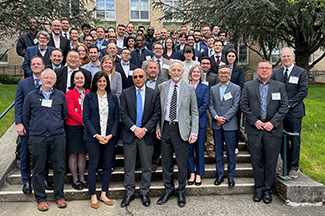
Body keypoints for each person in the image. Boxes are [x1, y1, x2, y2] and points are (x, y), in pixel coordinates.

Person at [240, 60, 289, 204]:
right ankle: (258, 189)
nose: (264, 70)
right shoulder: (248, 86)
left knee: (271, 161)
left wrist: (272, 123)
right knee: (256, 160)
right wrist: (255, 121)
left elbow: (284, 107)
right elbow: (244, 105)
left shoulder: (279, 86)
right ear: (257, 70)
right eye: (261, 68)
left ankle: (268, 190)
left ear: (271, 71)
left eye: (267, 68)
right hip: (255, 129)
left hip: (272, 130)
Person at [22, 69, 68, 211]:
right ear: (41, 79)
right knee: (38, 168)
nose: (49, 80)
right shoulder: (31, 96)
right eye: (46, 78)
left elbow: (64, 115)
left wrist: (55, 126)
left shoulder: (60, 95)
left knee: (60, 167)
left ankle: (59, 196)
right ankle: (40, 199)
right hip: (37, 137)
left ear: (55, 81)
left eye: (51, 78)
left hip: (57, 136)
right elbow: (25, 116)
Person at [156, 61, 199, 208]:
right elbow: (159, 111)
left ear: (182, 72)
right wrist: (158, 127)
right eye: (173, 70)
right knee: (166, 163)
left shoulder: (189, 88)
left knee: (182, 163)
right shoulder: (162, 87)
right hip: (166, 128)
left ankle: (181, 190)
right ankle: (169, 190)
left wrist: (194, 131)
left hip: (182, 130)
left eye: (178, 70)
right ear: (169, 72)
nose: (175, 72)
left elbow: (194, 112)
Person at [119, 68, 161, 207]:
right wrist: (134, 129)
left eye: (140, 76)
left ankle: (144, 192)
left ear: (146, 77)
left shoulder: (154, 94)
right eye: (135, 76)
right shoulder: (125, 93)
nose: (138, 78)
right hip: (130, 134)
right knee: (129, 166)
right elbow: (123, 113)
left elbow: (156, 113)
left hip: (146, 135)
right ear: (132, 78)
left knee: (147, 166)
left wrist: (145, 129)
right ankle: (129, 193)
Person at [15, 56, 53, 195]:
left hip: (43, 127)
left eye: (39, 63)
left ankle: (43, 178)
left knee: (43, 153)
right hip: (27, 125)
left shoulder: (48, 82)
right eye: (33, 64)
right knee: (25, 153)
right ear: (30, 67)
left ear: (43, 66)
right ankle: (26, 180)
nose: (36, 65)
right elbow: (18, 104)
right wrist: (19, 123)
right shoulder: (23, 84)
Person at [83, 72, 119, 208]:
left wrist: (110, 135)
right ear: (95, 83)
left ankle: (104, 193)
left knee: (107, 165)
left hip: (109, 137)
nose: (102, 83)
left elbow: (116, 118)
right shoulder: (89, 96)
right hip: (93, 138)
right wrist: (97, 135)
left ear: (107, 83)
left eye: (104, 81)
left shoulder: (113, 97)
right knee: (92, 166)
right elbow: (85, 118)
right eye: (99, 81)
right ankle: (93, 195)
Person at [271, 47, 308, 178]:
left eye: (288, 56)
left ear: (293, 57)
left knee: (294, 139)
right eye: (283, 56)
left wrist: (289, 104)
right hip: (280, 113)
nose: (286, 58)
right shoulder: (277, 73)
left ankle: (294, 167)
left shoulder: (301, 72)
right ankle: (285, 165)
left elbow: (303, 92)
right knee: (282, 140)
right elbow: (274, 90)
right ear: (281, 58)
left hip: (295, 112)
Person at [209, 65, 241, 187]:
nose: (223, 75)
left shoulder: (236, 88)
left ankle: (231, 176)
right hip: (216, 124)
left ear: (230, 75)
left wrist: (224, 118)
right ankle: (220, 175)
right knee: (218, 151)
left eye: (226, 73)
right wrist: (216, 117)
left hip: (230, 125)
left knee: (230, 152)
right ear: (218, 74)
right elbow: (210, 105)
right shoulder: (213, 89)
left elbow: (235, 105)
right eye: (221, 72)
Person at [65, 70, 90, 190]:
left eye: (82, 78)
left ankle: (82, 178)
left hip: (86, 128)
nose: (80, 80)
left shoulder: (89, 93)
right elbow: (71, 111)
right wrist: (84, 121)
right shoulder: (69, 93)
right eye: (77, 78)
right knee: (73, 153)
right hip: (73, 127)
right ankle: (75, 179)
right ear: (73, 80)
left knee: (82, 153)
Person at [187, 65, 210, 186]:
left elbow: (205, 104)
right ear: (190, 73)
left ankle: (199, 174)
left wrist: (194, 116)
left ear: (201, 74)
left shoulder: (204, 87)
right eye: (194, 72)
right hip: (186, 123)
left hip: (200, 122)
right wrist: (187, 116)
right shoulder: (185, 86)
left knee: (199, 149)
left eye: (198, 72)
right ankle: (191, 173)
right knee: (189, 150)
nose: (196, 74)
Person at [225, 48, 245, 155]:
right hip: (224, 101)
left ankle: (235, 146)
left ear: (235, 58)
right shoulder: (222, 68)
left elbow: (241, 84)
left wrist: (234, 96)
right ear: (226, 57)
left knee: (235, 124)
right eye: (229, 56)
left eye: (233, 56)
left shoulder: (239, 69)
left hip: (236, 101)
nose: (231, 58)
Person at [200, 57, 219, 158]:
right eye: (203, 63)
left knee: (210, 128)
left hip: (209, 105)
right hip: (198, 105)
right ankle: (196, 148)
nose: (205, 65)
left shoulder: (214, 77)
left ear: (210, 65)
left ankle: (210, 148)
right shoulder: (196, 75)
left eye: (207, 63)